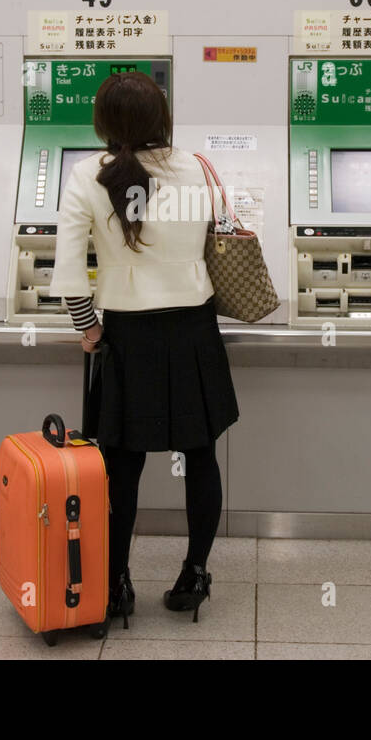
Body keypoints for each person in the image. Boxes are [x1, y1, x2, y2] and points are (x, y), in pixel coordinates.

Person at [49, 71, 239, 628]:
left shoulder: (85, 175)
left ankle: (117, 584)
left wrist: (89, 330)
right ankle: (195, 574)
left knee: (120, 465)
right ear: (163, 117)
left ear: (104, 123)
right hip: (194, 330)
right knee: (201, 456)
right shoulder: (197, 169)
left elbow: (67, 274)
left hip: (127, 336)